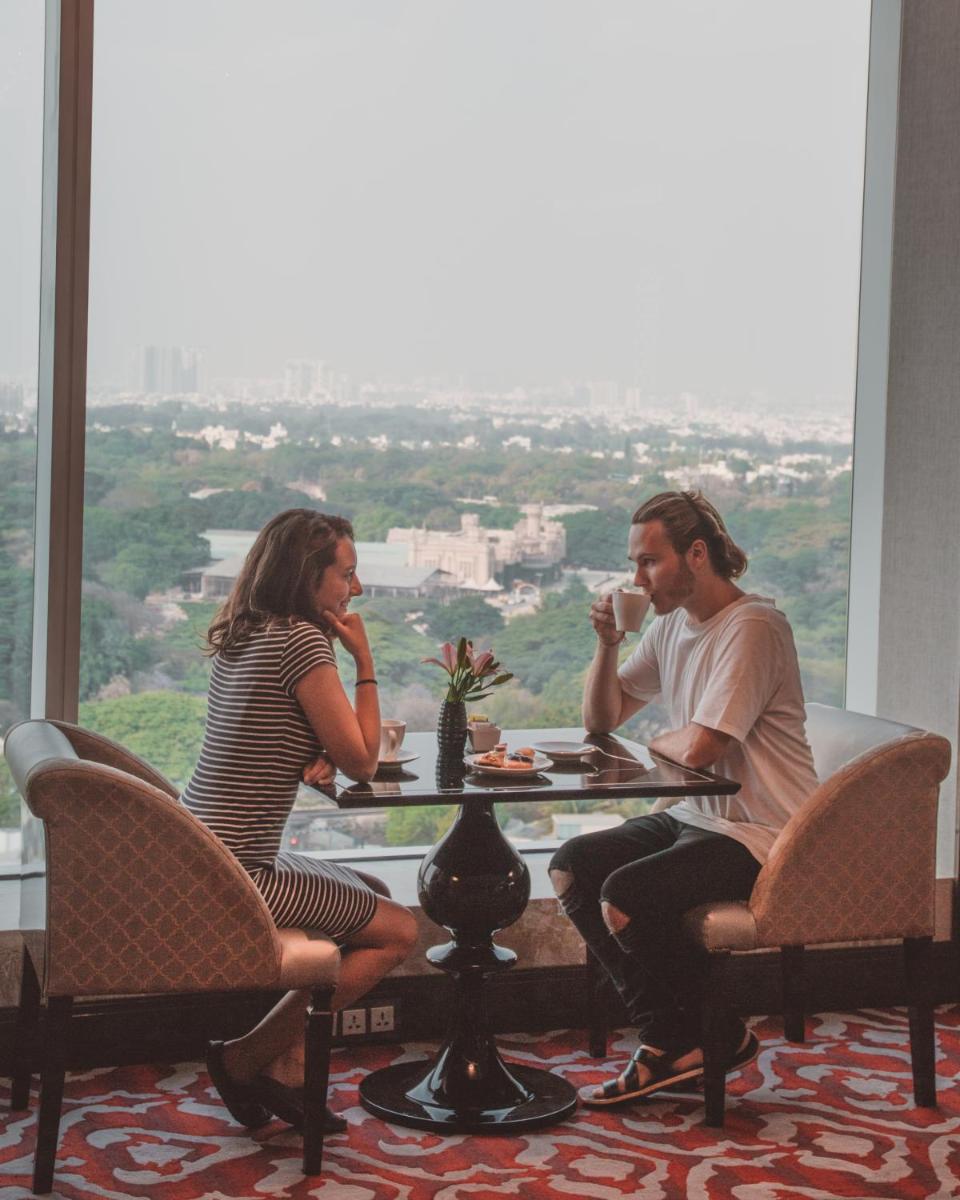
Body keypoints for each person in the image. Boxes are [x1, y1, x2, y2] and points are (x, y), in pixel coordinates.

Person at [550, 490, 818, 1106]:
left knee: (627, 894)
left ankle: (685, 1037)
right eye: (634, 563)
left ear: (696, 555)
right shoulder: (670, 624)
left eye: (648, 562)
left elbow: (701, 748)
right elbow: (603, 718)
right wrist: (610, 642)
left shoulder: (753, 627)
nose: (636, 578)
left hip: (762, 831)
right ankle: (692, 1035)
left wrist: (658, 743)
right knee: (572, 866)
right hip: (698, 815)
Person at [181, 509, 418, 1132]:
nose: (356, 589)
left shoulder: (247, 631)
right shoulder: (303, 641)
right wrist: (365, 659)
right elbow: (365, 763)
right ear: (310, 576)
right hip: (237, 873)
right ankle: (243, 1060)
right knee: (398, 933)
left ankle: (287, 1071)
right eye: (348, 573)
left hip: (199, 852)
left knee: (373, 894)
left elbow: (288, 729)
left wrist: (317, 747)